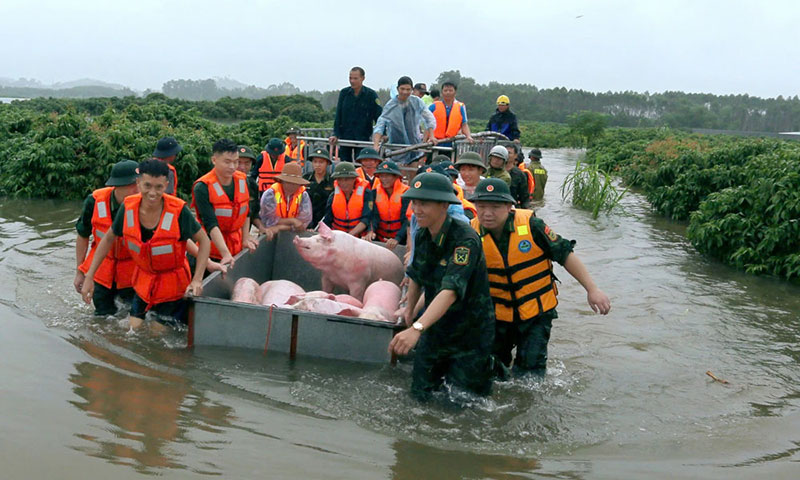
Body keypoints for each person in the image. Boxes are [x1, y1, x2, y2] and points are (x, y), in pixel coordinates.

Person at [470, 178, 611, 377]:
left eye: (495, 206)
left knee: (530, 374)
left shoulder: (532, 226)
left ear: (510, 206)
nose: (487, 213)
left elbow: (565, 254)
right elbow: (455, 277)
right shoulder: (470, 234)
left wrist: (592, 289)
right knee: (492, 370)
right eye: (482, 206)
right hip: (496, 315)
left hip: (535, 314)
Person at [389, 172, 496, 401]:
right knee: (420, 395)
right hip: (436, 327)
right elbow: (417, 275)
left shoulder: (465, 239)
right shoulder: (423, 234)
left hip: (469, 333)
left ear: (444, 205)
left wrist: (417, 328)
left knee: (464, 403)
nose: (417, 209)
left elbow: (449, 291)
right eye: (415, 202)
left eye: (424, 203)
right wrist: (409, 311)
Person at [80, 159, 210, 330]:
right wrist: (89, 276)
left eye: (159, 187)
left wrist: (197, 280)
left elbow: (204, 241)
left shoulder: (178, 211)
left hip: (171, 284)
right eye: (147, 186)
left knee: (157, 334)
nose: (152, 193)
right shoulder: (128, 207)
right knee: (132, 330)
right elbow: (108, 239)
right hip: (143, 281)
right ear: (138, 183)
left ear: (166, 185)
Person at [74, 160, 139, 316]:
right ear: (117, 185)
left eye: (139, 183)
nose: (137, 189)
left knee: (134, 318)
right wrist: (80, 272)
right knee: (102, 317)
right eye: (132, 185)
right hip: (102, 270)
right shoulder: (94, 201)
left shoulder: (144, 204)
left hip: (131, 272)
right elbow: (83, 235)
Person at [192, 139, 256, 269]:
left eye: (235, 161)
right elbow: (210, 223)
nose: (232, 167)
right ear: (214, 160)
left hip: (236, 247)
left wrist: (245, 239)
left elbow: (246, 212)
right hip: (212, 252)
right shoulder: (202, 187)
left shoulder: (243, 180)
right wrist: (225, 253)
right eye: (227, 162)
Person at [372, 76, 436, 167]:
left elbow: (429, 118)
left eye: (408, 89)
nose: (405, 92)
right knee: (399, 174)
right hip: (396, 147)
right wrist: (376, 144)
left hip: (414, 145)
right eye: (402, 89)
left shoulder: (416, 102)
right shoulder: (390, 105)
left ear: (412, 90)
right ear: (398, 89)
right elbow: (380, 125)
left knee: (413, 172)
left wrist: (432, 136)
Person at [330, 66, 382, 163]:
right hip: (346, 137)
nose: (352, 81)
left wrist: (382, 134)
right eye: (350, 78)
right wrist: (336, 134)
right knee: (345, 165)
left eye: (355, 78)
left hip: (363, 137)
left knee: (361, 164)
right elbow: (338, 115)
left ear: (363, 78)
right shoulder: (344, 93)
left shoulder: (371, 95)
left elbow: (379, 117)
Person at [259, 162, 313, 241]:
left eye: (295, 183)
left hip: (295, 237)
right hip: (271, 236)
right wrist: (293, 221)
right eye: (289, 182)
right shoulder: (270, 194)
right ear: (282, 181)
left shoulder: (303, 195)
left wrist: (279, 227)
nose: (292, 185)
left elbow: (302, 224)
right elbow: (268, 221)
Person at [366, 160, 409, 249]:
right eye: (381, 176)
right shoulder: (374, 193)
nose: (383, 179)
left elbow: (407, 220)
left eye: (387, 176)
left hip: (401, 241)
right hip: (379, 239)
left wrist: (397, 238)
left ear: (396, 177)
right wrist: (371, 231)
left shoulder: (406, 194)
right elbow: (373, 216)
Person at [323, 162, 373, 237]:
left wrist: (348, 236)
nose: (343, 183)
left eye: (347, 179)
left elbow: (366, 219)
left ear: (354, 179)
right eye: (340, 179)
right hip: (337, 237)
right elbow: (327, 219)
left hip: (358, 238)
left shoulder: (366, 194)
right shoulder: (333, 196)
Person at [429, 81, 473, 147]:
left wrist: (468, 136)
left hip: (452, 142)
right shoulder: (434, 106)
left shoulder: (460, 107)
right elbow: (428, 123)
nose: (448, 92)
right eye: (445, 90)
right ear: (442, 93)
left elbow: (464, 124)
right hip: (435, 142)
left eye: (450, 90)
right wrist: (428, 137)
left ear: (455, 92)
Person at [302, 146, 335, 229]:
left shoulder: (332, 181)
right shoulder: (305, 178)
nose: (317, 165)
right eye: (315, 162)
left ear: (327, 163)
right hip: (307, 220)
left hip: (326, 220)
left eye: (321, 162)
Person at [236, 145, 265, 234]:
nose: (242, 167)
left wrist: (261, 227)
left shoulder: (252, 185)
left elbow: (254, 213)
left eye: (247, 163)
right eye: (238, 162)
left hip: (242, 240)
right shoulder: (220, 185)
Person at [505, 144, 531, 209]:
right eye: (505, 152)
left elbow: (524, 198)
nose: (506, 155)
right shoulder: (494, 170)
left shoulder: (520, 175)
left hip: (512, 208)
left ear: (515, 155)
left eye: (509, 153)